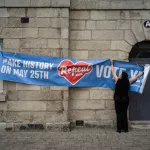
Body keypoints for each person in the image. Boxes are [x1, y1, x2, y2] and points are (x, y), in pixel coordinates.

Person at [111, 60, 144, 133]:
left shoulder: (117, 80)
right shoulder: (128, 81)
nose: (119, 75)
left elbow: (113, 72)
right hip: (125, 100)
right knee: (124, 113)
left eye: (121, 74)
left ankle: (119, 129)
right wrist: (142, 73)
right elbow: (136, 77)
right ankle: (125, 129)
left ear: (122, 76)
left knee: (119, 114)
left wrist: (111, 64)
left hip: (117, 99)